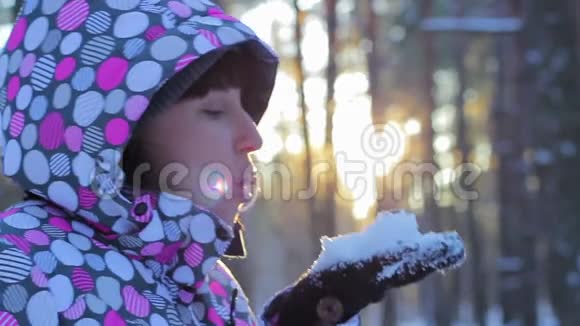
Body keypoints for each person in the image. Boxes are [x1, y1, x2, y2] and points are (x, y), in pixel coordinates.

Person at [0, 1, 464, 325]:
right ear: (114, 134)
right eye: (214, 111)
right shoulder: (20, 270)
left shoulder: (206, 284)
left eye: (247, 108)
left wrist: (312, 312)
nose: (253, 136)